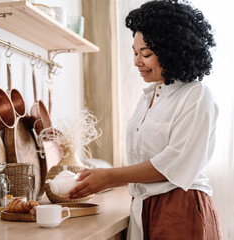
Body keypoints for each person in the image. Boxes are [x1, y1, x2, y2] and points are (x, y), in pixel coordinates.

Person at [67, 0, 222, 239]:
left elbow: (174, 163)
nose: (137, 62)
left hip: (181, 208)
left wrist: (109, 177)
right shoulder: (150, 96)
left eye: (146, 54)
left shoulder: (196, 95)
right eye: (134, 52)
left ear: (172, 51)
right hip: (144, 206)